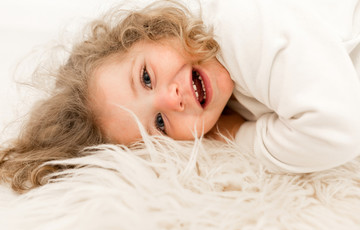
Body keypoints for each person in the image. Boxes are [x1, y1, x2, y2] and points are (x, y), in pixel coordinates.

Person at [1, 0, 359, 193]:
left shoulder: (243, 25)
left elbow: (338, 129)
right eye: (159, 123)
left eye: (145, 77)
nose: (172, 100)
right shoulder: (223, 81)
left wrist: (232, 134)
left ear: (150, 33)